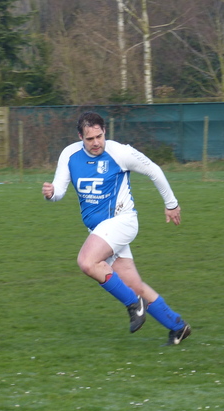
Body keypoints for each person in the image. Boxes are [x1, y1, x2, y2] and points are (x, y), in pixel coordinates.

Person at [41, 112, 191, 346]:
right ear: (81, 136)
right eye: (90, 139)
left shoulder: (119, 152)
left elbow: (154, 170)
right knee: (133, 284)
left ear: (105, 132)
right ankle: (178, 326)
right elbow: (59, 190)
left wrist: (171, 204)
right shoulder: (69, 155)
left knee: (87, 262)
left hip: (122, 222)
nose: (96, 143)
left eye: (99, 136)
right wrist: (51, 194)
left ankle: (134, 304)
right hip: (100, 230)